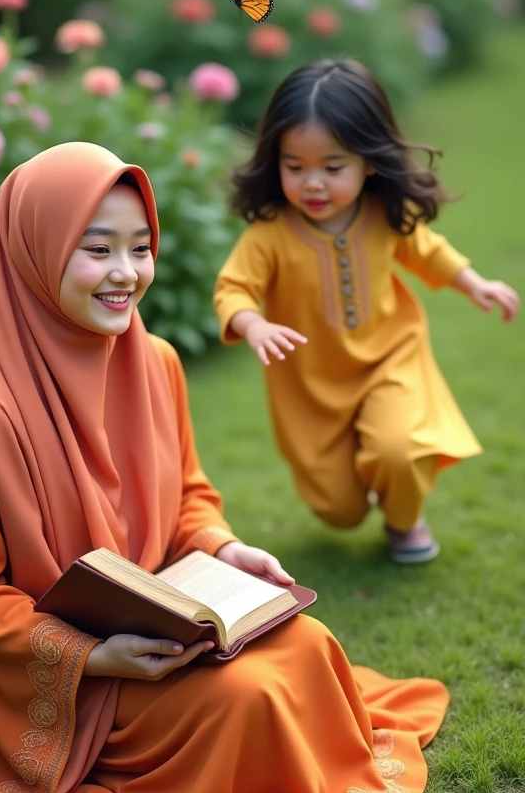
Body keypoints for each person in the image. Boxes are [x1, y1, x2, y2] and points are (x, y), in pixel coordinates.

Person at [0, 141, 449, 793]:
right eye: (97, 249)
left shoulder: (153, 362)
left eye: (140, 247)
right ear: (34, 253)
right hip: (79, 680)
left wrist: (226, 548)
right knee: (249, 699)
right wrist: (97, 657)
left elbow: (189, 495)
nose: (126, 274)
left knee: (312, 645)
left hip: (169, 622)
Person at [214, 59, 520, 564]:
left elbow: (426, 249)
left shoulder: (383, 216)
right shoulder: (269, 234)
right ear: (276, 161)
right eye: (295, 167)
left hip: (388, 361)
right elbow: (233, 290)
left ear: (370, 161)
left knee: (400, 450)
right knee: (340, 510)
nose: (313, 183)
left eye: (332, 168)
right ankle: (360, 489)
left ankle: (405, 521)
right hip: (311, 388)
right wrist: (254, 323)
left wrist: (474, 283)